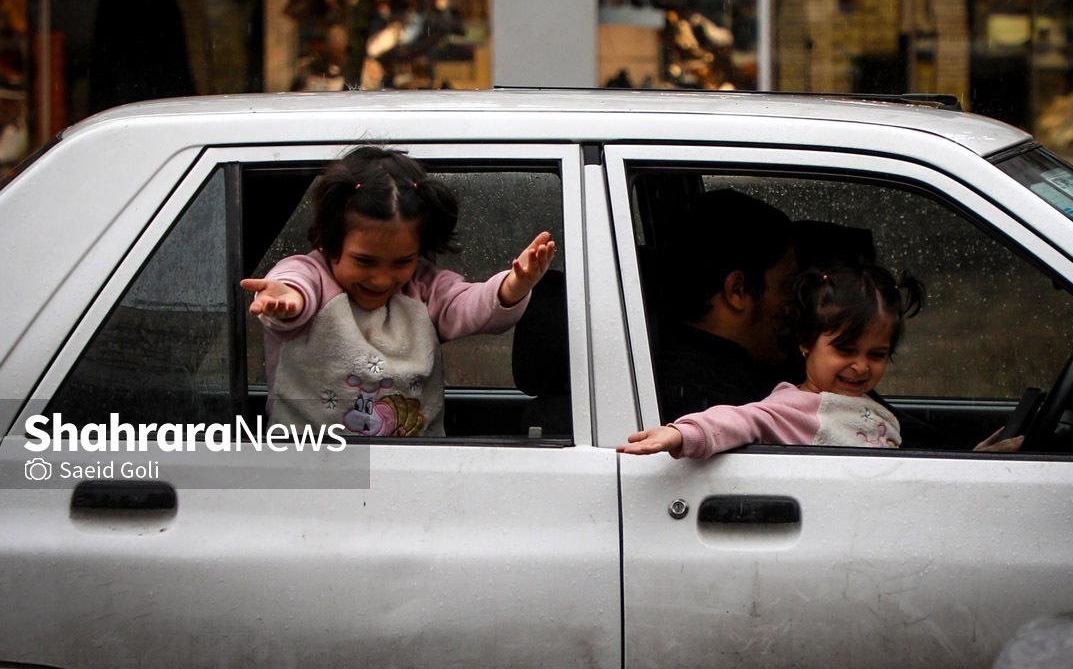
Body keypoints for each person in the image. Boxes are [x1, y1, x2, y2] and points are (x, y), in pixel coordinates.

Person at [241, 145, 555, 438]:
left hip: (410, 467)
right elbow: (294, 286)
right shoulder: (311, 277)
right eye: (365, 261)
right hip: (310, 464)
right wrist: (287, 301)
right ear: (328, 241)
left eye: (401, 261)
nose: (381, 278)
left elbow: (469, 304)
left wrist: (512, 285)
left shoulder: (423, 287)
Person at [621, 262, 1025, 458]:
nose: (861, 366)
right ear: (805, 344)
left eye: (877, 355)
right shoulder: (795, 407)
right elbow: (738, 419)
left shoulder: (863, 404)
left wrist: (972, 462)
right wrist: (680, 434)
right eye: (845, 351)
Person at [652, 189, 799, 424]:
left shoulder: (674, 366)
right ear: (737, 290)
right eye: (788, 286)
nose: (796, 304)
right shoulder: (714, 404)